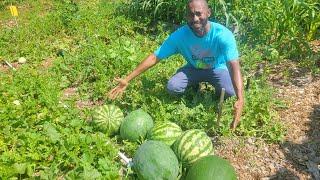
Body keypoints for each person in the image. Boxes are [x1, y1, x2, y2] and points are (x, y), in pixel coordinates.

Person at [108, 0, 244, 130]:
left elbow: (233, 65)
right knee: (173, 87)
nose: (195, 18)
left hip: (217, 68)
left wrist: (240, 98)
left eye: (199, 13)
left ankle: (218, 91)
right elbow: (155, 57)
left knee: (230, 92)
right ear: (186, 16)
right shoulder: (180, 36)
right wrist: (127, 79)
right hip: (193, 68)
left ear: (208, 12)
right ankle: (194, 85)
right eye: (191, 15)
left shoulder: (223, 35)